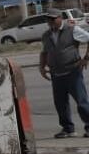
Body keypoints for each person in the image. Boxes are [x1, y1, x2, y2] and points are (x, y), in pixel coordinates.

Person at [38, 8, 89, 138]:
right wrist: (42, 67)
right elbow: (44, 52)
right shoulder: (46, 35)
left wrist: (86, 58)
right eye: (48, 19)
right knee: (60, 103)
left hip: (72, 71)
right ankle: (68, 129)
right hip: (56, 74)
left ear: (60, 18)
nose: (50, 21)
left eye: (52, 19)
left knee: (81, 101)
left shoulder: (73, 30)